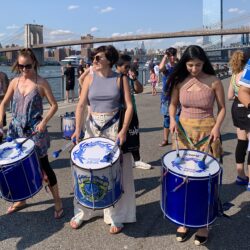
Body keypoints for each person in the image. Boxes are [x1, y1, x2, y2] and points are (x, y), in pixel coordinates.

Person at [70, 45, 136, 233]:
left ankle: (115, 215)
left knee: (115, 172)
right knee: (86, 169)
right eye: (94, 57)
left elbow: (129, 106)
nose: (94, 60)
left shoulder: (120, 79)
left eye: (98, 58)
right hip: (92, 127)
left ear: (110, 60)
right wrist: (77, 129)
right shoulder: (89, 78)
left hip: (113, 127)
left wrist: (123, 130)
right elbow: (81, 105)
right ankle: (83, 211)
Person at [169, 45, 225, 246]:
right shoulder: (179, 81)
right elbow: (173, 104)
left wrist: (217, 128)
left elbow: (222, 109)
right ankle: (184, 219)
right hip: (184, 133)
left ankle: (203, 224)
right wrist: (173, 120)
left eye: (198, 65)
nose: (194, 69)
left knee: (205, 179)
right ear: (185, 63)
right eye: (191, 65)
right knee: (184, 176)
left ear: (204, 63)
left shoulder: (214, 81)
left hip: (207, 133)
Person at [0, 48, 63, 218]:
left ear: (34, 63)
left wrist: (44, 122)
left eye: (27, 66)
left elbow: (54, 105)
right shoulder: (15, 82)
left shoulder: (41, 83)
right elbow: (3, 104)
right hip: (16, 130)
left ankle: (57, 200)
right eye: (20, 66)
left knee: (44, 167)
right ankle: (21, 199)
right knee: (16, 167)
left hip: (35, 132)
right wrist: (0, 124)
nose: (24, 70)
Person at [116, 54, 151, 170]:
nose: (128, 69)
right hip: (119, 114)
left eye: (129, 66)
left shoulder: (129, 77)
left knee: (134, 135)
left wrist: (134, 78)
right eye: (126, 66)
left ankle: (137, 160)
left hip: (132, 111)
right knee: (120, 137)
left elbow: (140, 90)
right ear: (118, 66)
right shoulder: (114, 78)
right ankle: (119, 161)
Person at [228, 50, 250, 186]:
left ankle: (240, 175)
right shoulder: (246, 74)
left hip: (236, 107)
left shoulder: (234, 75)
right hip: (247, 108)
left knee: (241, 142)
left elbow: (229, 96)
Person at [158, 47, 180, 147]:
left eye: (173, 55)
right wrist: (165, 56)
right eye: (170, 55)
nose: (172, 57)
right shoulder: (166, 67)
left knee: (178, 118)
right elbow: (160, 68)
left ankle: (177, 139)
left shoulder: (179, 67)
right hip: (166, 96)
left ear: (176, 55)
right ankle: (165, 139)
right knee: (166, 119)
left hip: (178, 96)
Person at [0, 71, 9, 143]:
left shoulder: (3, 75)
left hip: (1, 102)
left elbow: (6, 91)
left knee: (1, 121)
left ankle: (1, 137)